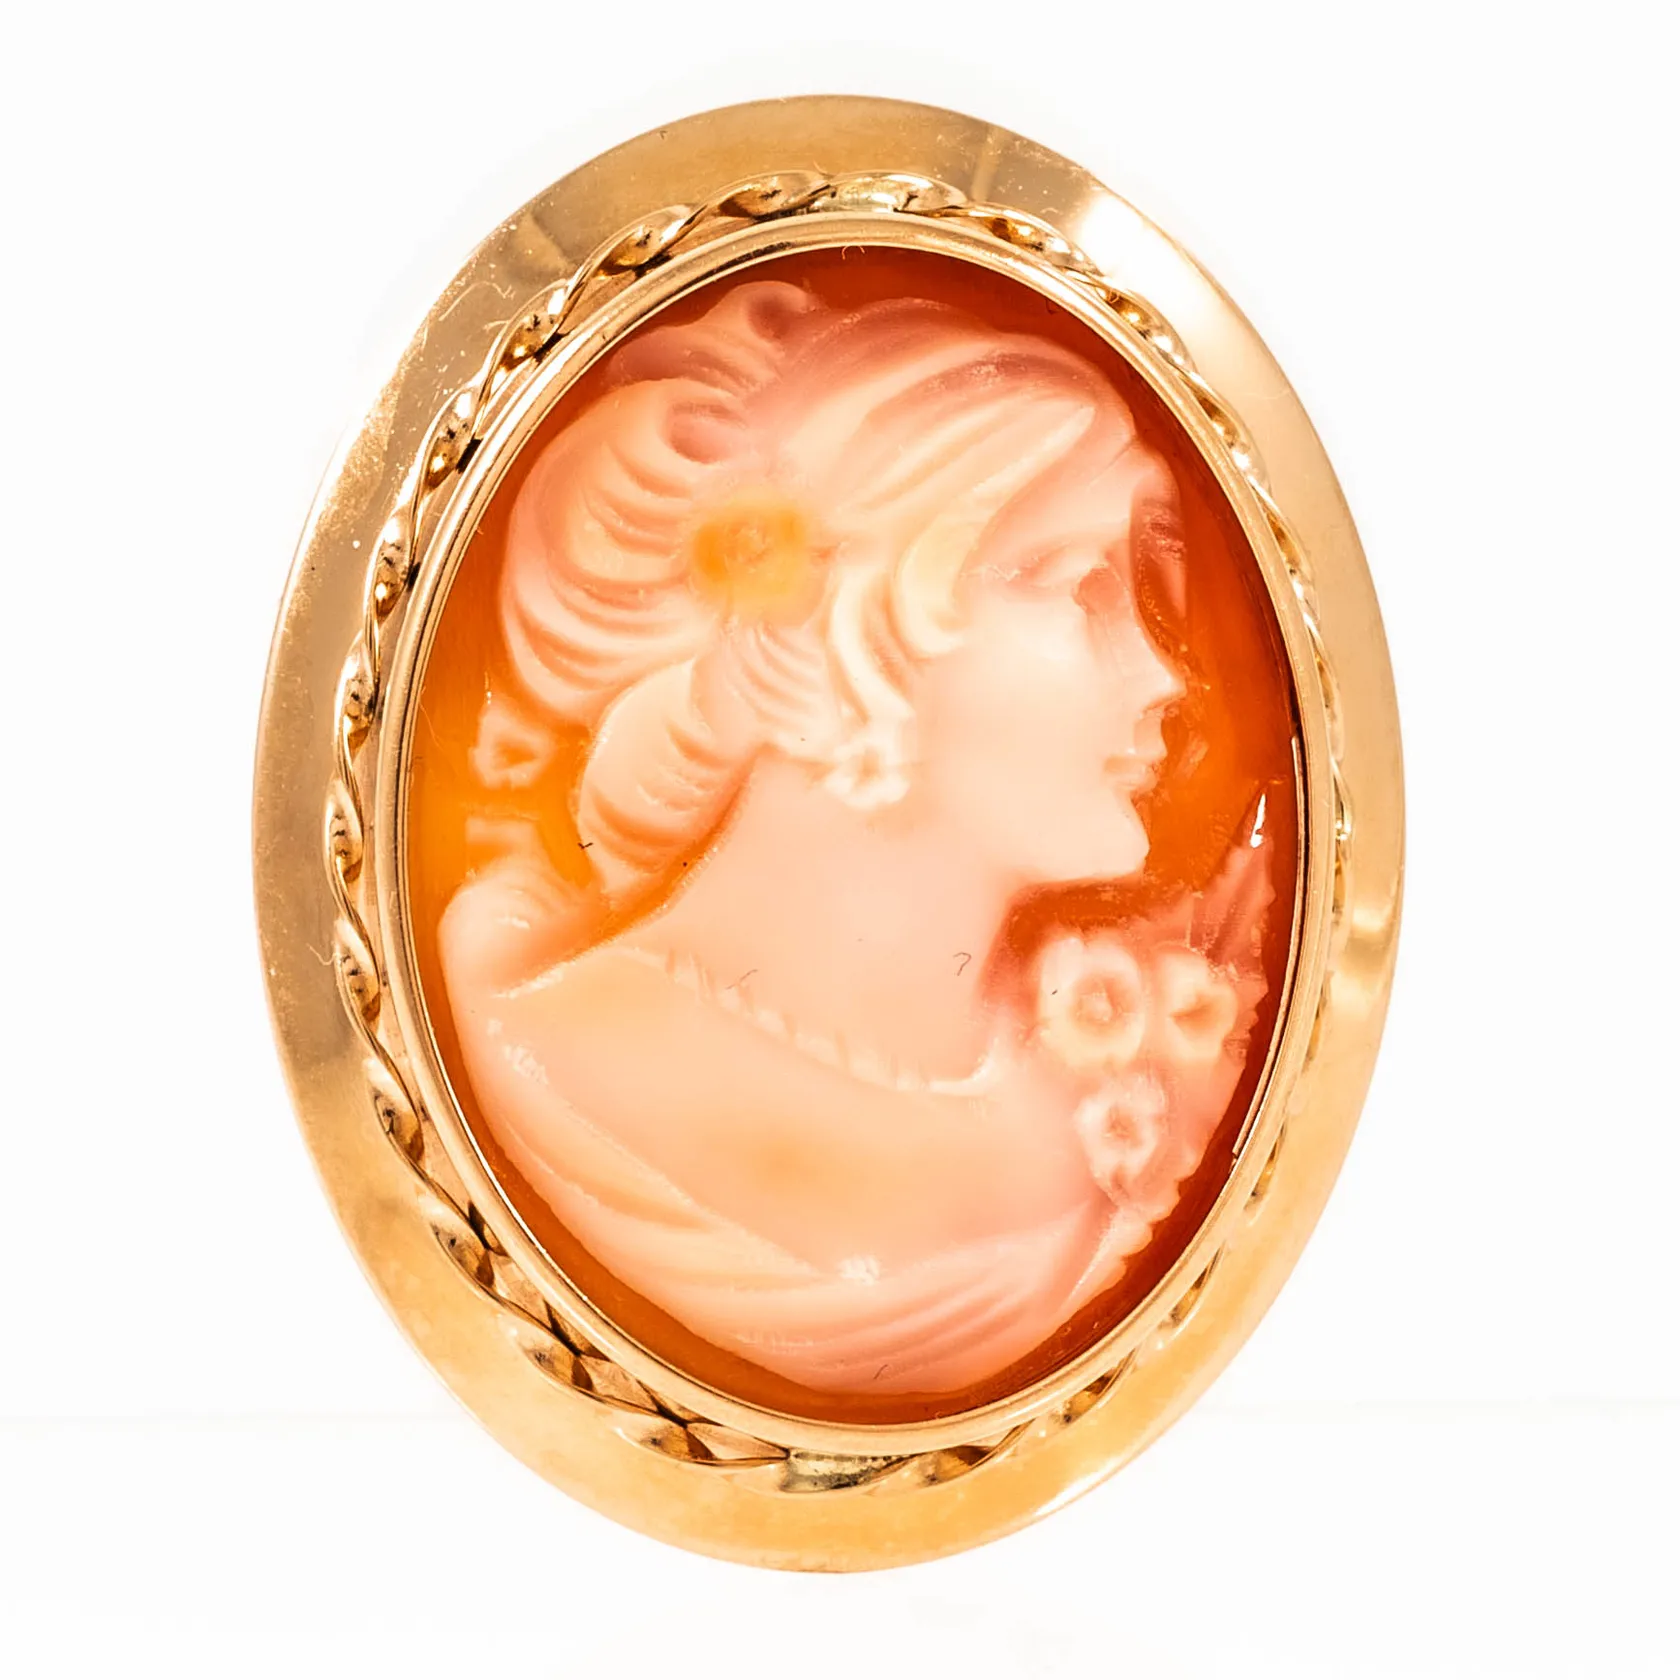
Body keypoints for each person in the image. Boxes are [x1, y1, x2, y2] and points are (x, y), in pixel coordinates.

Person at [439, 279, 1269, 1395]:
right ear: (843, 638)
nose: (1170, 677)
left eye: (1151, 596)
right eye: (1084, 589)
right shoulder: (557, 1051)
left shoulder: (1119, 1094)